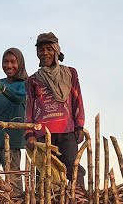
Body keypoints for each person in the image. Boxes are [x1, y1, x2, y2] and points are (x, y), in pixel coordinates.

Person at [25, 32, 87, 184]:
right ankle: (45, 199)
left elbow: (77, 100)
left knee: (73, 168)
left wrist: (79, 126)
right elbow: (29, 108)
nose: (45, 53)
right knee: (44, 173)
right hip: (42, 134)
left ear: (56, 51)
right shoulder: (33, 80)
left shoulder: (70, 73)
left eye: (49, 49)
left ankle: (79, 197)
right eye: (41, 50)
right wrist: (29, 134)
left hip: (67, 130)